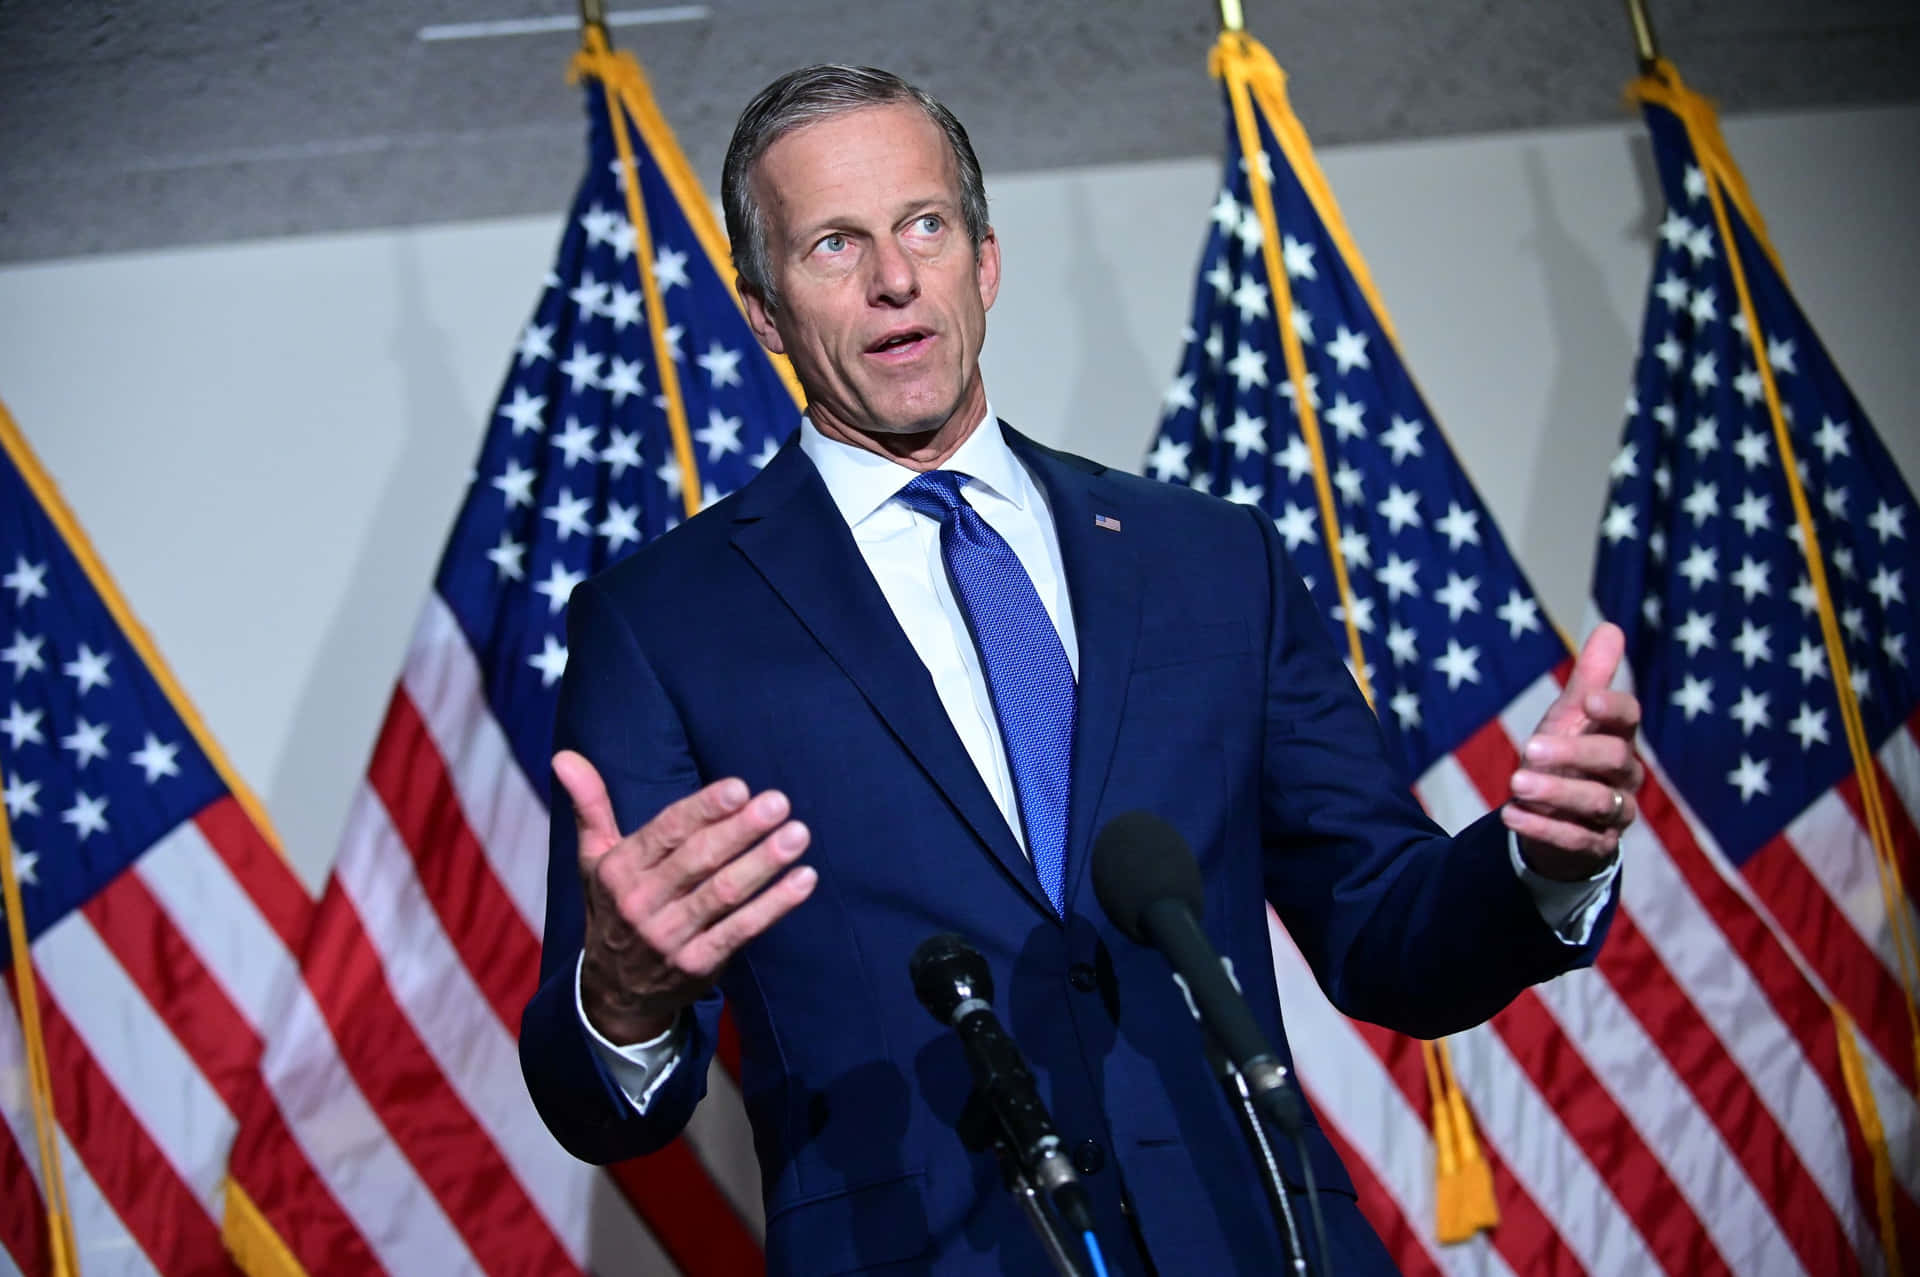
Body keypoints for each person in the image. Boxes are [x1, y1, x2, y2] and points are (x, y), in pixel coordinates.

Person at [518, 64, 1641, 1276]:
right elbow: (598, 1102)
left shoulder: (1211, 560)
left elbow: (1387, 932)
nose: (894, 276)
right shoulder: (664, 621)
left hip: (1258, 1239)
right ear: (765, 314)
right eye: (835, 244)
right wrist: (621, 998)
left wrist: (1539, 864)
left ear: (984, 264)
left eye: (924, 226)